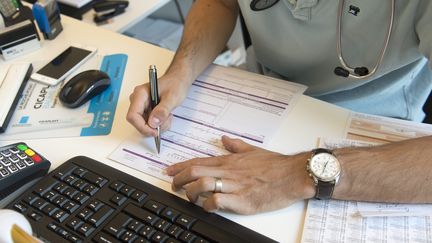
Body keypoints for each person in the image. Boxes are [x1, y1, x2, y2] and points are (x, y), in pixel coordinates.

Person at [127, 0, 432, 215]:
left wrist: (297, 173)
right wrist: (181, 72)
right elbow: (220, 3)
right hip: (260, 100)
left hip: (370, 136)